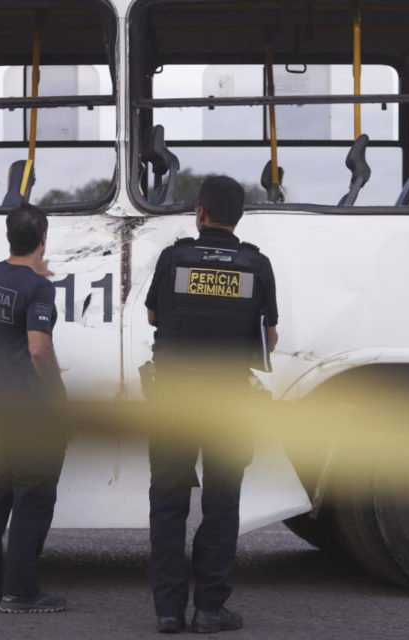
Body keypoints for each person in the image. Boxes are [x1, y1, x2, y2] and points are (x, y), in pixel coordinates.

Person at [144, 176, 279, 634]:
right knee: (221, 506)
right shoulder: (256, 266)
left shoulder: (174, 257)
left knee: (168, 504)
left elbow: (153, 316)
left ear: (199, 212)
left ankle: (167, 610)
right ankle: (209, 609)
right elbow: (269, 337)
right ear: (238, 217)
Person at [0, 203, 68, 614]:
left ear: (9, 237)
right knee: (33, 496)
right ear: (43, 240)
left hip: (0, 400)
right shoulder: (39, 289)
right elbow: (37, 348)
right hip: (31, 405)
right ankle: (20, 592)